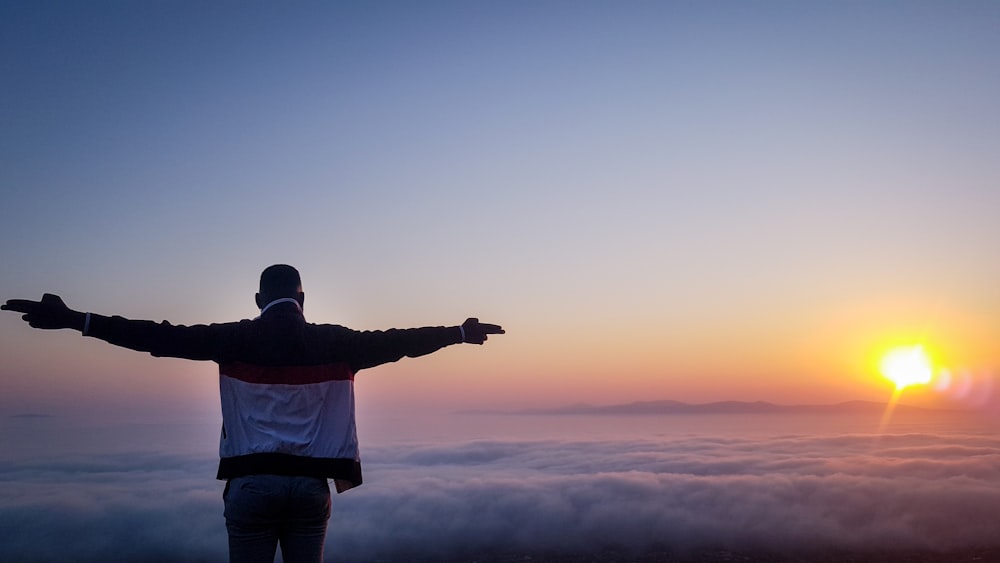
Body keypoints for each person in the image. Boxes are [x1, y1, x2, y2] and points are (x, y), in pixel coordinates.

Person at [2, 264, 504, 563]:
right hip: (311, 490)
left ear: (259, 299)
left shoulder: (232, 337)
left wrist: (75, 321)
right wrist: (459, 333)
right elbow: (402, 343)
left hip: (250, 488)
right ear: (303, 299)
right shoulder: (339, 342)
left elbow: (154, 335)